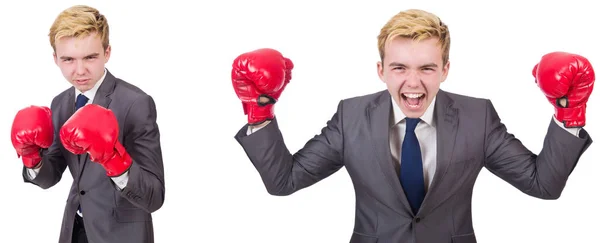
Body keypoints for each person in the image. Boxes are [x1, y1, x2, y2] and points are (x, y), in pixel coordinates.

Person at [230, 9, 594, 243]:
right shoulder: (352, 115)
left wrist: (569, 114)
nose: (413, 83)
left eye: (427, 68)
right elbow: (284, 182)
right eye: (400, 68)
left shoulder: (477, 116)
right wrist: (259, 113)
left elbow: (542, 185)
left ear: (446, 70)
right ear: (381, 70)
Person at [10, 5, 165, 243]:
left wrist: (114, 160)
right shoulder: (61, 103)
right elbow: (51, 176)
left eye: (90, 57)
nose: (80, 70)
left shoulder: (136, 103)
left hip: (121, 235)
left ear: (107, 53)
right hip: (75, 229)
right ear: (55, 59)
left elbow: (154, 197)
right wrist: (32, 158)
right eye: (68, 59)